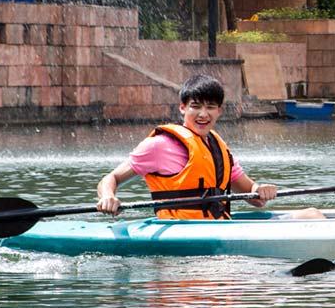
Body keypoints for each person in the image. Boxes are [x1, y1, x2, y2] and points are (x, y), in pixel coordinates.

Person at [96, 74, 321, 220]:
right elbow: (111, 178)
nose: (203, 114)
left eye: (210, 107)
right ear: (182, 108)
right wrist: (108, 197)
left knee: (312, 215)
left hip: (219, 227)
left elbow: (254, 198)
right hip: (182, 234)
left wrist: (261, 189)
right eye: (196, 107)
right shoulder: (159, 145)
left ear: (219, 111)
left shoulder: (218, 148)